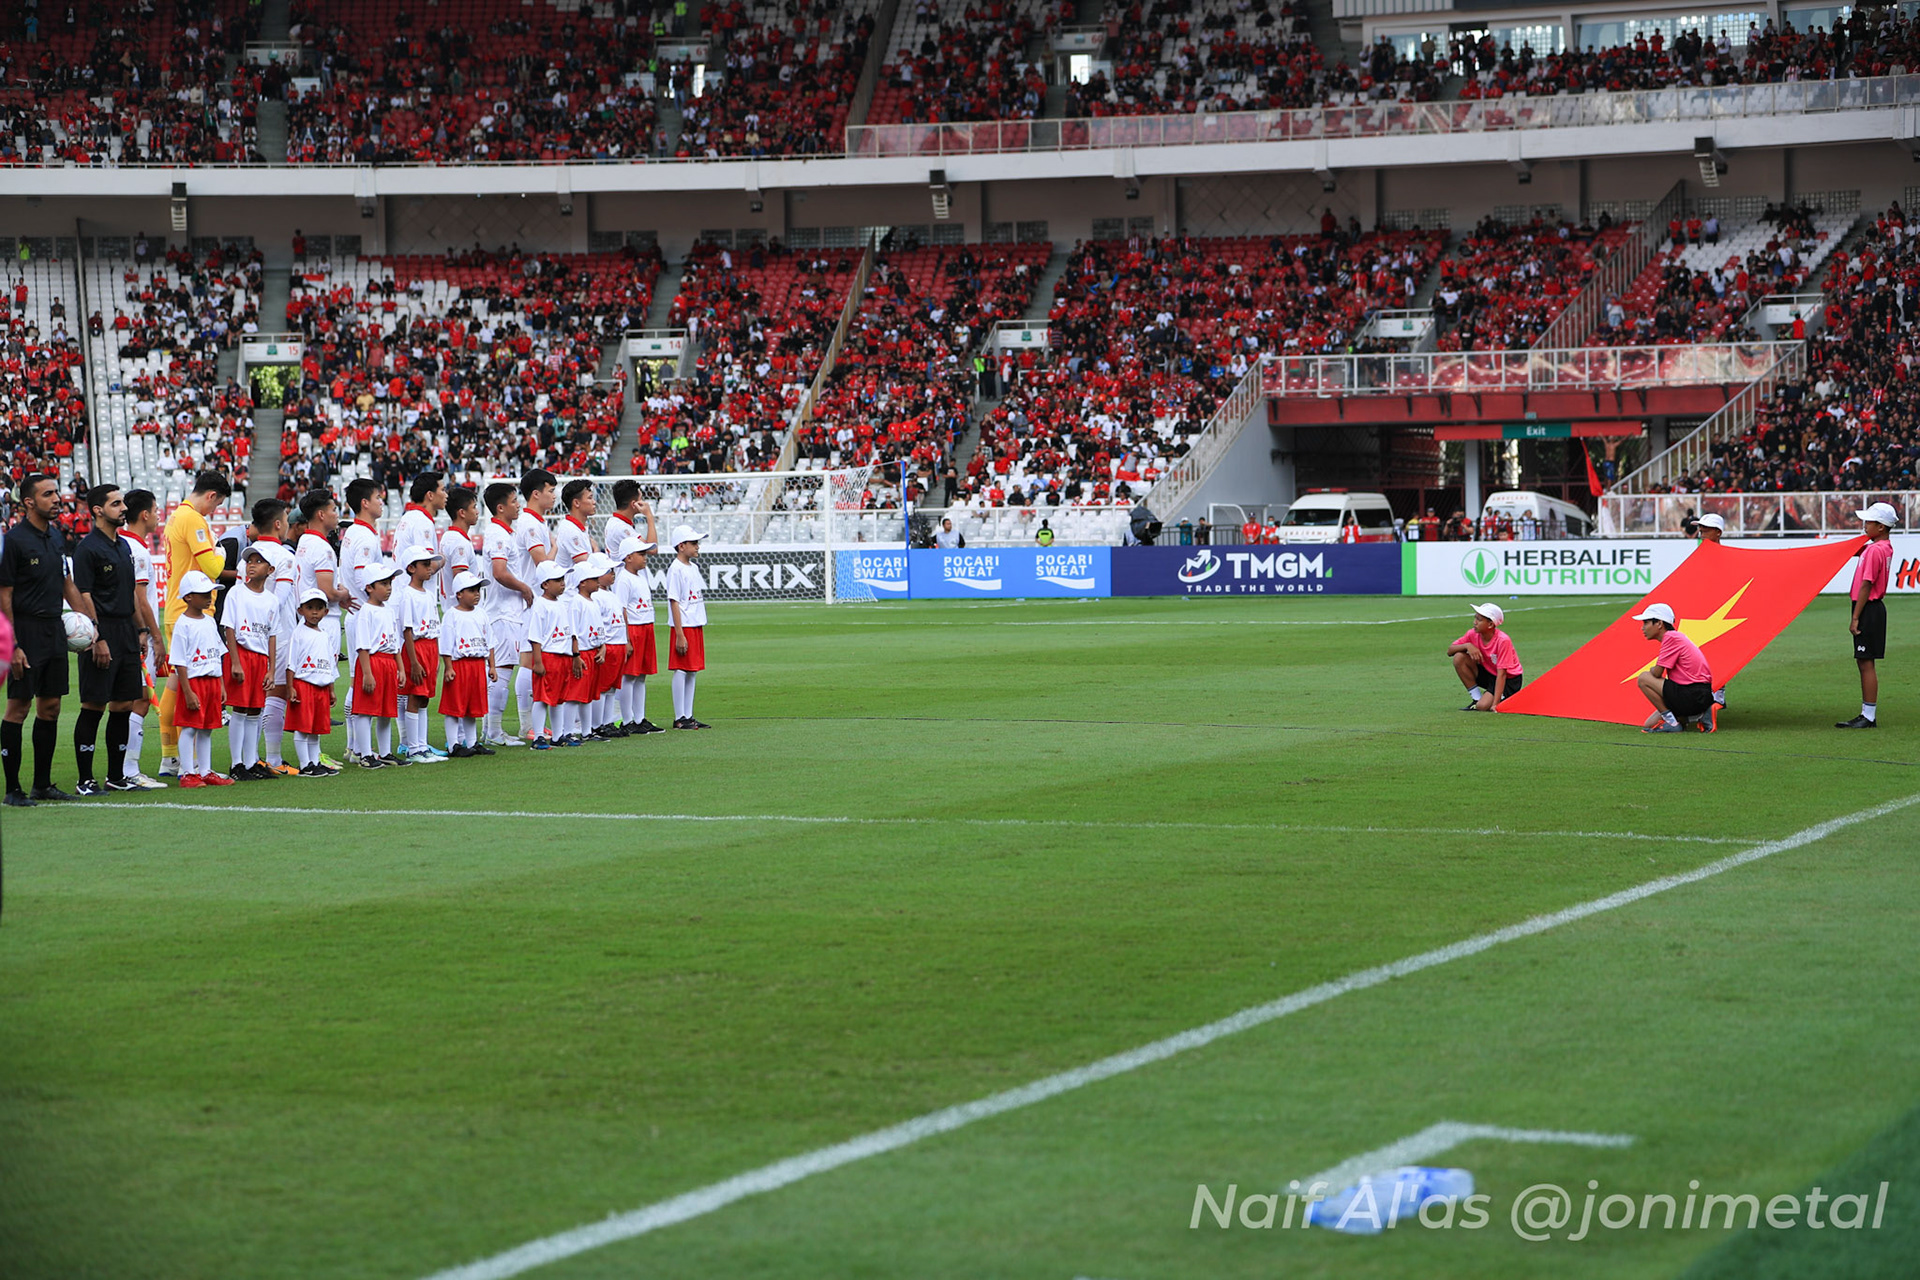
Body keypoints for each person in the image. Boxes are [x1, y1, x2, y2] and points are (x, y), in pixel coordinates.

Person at [2, 474, 93, 805]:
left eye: (57, 492)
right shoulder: (14, 541)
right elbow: (4, 594)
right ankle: (13, 790)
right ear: (29, 502)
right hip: (25, 631)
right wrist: (13, 645)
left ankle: (42, 784)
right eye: (48, 494)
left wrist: (91, 624)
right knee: (19, 707)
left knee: (51, 707)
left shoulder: (55, 536)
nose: (57, 499)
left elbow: (67, 583)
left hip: (55, 628)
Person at [70, 484, 143, 794]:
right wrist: (96, 637)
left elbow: (131, 592)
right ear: (98, 510)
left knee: (124, 704)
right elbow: (84, 594)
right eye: (116, 504)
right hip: (102, 631)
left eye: (123, 502)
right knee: (94, 704)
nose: (123, 508)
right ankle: (85, 780)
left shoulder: (123, 546)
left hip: (127, 632)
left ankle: (116, 776)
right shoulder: (87, 549)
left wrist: (141, 630)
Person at [158, 470, 231, 778]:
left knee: (177, 683)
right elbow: (213, 567)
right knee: (189, 685)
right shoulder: (193, 519)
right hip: (189, 612)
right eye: (217, 504)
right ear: (211, 495)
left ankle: (172, 758)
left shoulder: (177, 516)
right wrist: (220, 552)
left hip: (178, 608)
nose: (214, 511)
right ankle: (185, 762)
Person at [218, 544, 284, 779]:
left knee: (256, 708)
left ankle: (250, 761)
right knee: (240, 707)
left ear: (270, 569)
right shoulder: (237, 593)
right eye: (249, 561)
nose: (252, 565)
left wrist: (271, 669)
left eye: (258, 561)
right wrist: (235, 662)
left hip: (260, 659)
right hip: (241, 654)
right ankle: (237, 764)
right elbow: (229, 628)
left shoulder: (272, 600)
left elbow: (272, 635)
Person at [116, 488, 166, 789]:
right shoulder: (138, 551)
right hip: (140, 636)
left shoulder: (121, 545)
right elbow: (141, 599)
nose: (159, 516)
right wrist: (155, 637)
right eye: (156, 510)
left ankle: (123, 769)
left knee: (129, 700)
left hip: (126, 634)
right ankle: (129, 769)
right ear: (145, 514)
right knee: (141, 700)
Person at [166, 569, 233, 787]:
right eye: (203, 594)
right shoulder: (183, 624)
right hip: (194, 682)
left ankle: (205, 771)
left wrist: (221, 685)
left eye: (210, 593)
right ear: (188, 597)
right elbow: (179, 662)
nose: (209, 597)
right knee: (189, 727)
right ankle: (188, 773)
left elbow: (217, 653)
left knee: (207, 728)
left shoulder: (209, 621)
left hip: (211, 681)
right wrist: (187, 691)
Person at [483, 482, 534, 747]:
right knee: (500, 673)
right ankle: (493, 732)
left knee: (501, 672)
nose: (519, 505)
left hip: (506, 612)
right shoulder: (498, 535)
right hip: (502, 614)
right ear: (500, 507)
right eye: (514, 501)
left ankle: (490, 730)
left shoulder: (503, 532)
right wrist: (524, 588)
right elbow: (500, 572)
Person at [1838, 501, 1896, 729]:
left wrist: (1855, 617)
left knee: (1865, 661)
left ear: (1880, 527)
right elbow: (1857, 551)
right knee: (1864, 660)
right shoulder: (1883, 547)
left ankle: (1868, 715)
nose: (1864, 525)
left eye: (1869, 522)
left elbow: (1866, 584)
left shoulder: (1874, 550)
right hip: (1872, 608)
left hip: (1868, 608)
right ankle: (1867, 713)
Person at [510, 469, 558, 740]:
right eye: (550, 491)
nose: (554, 496)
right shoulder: (529, 523)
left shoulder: (537, 521)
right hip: (531, 601)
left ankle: (534, 722)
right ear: (536, 494)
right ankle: (526, 724)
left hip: (538, 601)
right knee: (528, 661)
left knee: (537, 660)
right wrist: (556, 545)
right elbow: (543, 563)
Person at [394, 545, 448, 762]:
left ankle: (422, 745)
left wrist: (436, 658)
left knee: (425, 698)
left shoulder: (429, 595)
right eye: (425, 565)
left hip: (430, 648)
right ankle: (413, 748)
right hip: (416, 648)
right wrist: (414, 662)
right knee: (415, 696)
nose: (430, 568)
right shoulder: (407, 595)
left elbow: (435, 626)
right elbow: (407, 630)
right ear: (411, 568)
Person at [350, 561, 405, 768]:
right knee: (366, 710)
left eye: (390, 583)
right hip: (372, 662)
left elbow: (395, 643)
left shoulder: (389, 611)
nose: (388, 588)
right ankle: (365, 754)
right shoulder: (366, 611)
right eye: (383, 584)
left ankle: (385, 752)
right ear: (369, 587)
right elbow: (363, 645)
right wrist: (367, 673)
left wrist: (400, 668)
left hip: (388, 662)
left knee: (386, 710)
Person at [284, 588, 342, 777]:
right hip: (304, 685)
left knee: (315, 728)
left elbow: (330, 665)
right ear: (300, 610)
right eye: (309, 608)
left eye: (319, 608)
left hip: (321, 688)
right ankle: (305, 764)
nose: (314, 612)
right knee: (303, 727)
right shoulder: (298, 633)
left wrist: (331, 690)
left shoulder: (324, 635)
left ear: (326, 611)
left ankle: (315, 761)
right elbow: (291, 662)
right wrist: (291, 687)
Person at [437, 570, 495, 758]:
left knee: (472, 707)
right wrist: (448, 667)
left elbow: (490, 641)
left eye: (478, 590)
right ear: (459, 594)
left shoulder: (482, 614)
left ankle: (472, 743)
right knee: (454, 706)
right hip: (460, 665)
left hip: (478, 665)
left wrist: (492, 666)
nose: (476, 594)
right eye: (471, 590)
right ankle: (453, 745)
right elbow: (446, 644)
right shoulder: (451, 615)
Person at [1633, 603, 1715, 733]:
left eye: (1646, 623)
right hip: (1697, 693)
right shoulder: (1676, 637)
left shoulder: (1671, 638)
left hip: (1693, 694)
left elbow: (1657, 673)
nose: (1643, 628)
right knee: (1649, 724)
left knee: (1643, 678)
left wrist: (1652, 670)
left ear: (1659, 624)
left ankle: (1673, 722)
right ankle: (1695, 716)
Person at [614, 534, 665, 734]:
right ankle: (627, 720)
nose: (645, 557)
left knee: (641, 675)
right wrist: (626, 639)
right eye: (641, 554)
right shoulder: (623, 579)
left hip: (646, 627)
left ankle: (640, 718)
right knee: (629, 675)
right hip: (634, 629)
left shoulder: (641, 576)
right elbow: (622, 609)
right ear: (628, 557)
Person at [524, 560, 576, 749]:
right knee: (542, 698)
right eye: (557, 580)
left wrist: (573, 655)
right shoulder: (540, 605)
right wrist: (538, 662)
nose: (562, 583)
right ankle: (538, 736)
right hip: (548, 656)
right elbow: (535, 637)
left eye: (563, 579)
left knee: (559, 699)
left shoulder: (561, 604)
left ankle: (558, 735)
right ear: (545, 584)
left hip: (563, 657)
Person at [666, 523, 710, 729]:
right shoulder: (675, 569)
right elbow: (674, 601)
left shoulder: (694, 568)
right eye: (693, 543)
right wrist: (679, 633)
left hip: (696, 623)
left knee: (692, 670)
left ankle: (688, 714)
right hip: (684, 626)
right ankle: (679, 716)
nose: (697, 546)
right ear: (681, 546)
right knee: (681, 669)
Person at [337, 477, 386, 650]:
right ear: (365, 503)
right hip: (366, 615)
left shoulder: (353, 531)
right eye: (377, 497)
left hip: (357, 613)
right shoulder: (364, 537)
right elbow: (362, 578)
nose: (381, 502)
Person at [1446, 602, 1523, 710]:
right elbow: (1450, 651)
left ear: (1490, 625)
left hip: (1508, 680)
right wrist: (1467, 645)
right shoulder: (1472, 634)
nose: (1474, 622)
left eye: (1479, 620)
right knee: (1459, 657)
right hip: (1490, 674)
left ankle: (1503, 698)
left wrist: (1495, 705)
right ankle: (1476, 699)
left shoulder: (1502, 640)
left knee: (1482, 706)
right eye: (1475, 618)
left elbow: (1502, 674)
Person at [438, 486, 480, 609]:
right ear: (462, 513)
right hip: (462, 613)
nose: (477, 512)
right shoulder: (459, 542)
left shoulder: (448, 536)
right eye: (474, 507)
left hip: (451, 609)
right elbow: (461, 582)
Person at [394, 471, 445, 560]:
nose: (446, 495)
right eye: (443, 490)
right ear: (430, 495)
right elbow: (425, 564)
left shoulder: (408, 517)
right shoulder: (422, 521)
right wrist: (442, 559)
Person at [600, 480, 658, 556]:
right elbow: (652, 550)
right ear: (634, 504)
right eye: (641, 499)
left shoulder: (614, 521)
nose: (643, 502)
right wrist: (649, 516)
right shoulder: (621, 528)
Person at [554, 479, 596, 566]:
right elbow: (588, 566)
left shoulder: (577, 527)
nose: (594, 502)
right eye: (590, 498)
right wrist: (596, 549)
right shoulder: (570, 530)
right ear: (576, 503)